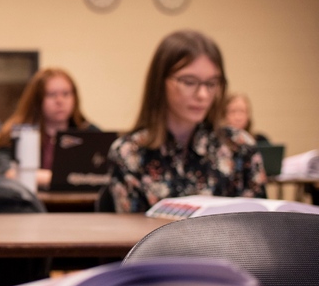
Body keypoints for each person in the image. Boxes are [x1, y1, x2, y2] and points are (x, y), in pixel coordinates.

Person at [108, 30, 266, 213]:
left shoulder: (239, 146)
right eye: (189, 82)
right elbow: (131, 236)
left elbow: (260, 227)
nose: (203, 95)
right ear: (161, 81)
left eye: (212, 83)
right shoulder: (129, 153)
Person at [0, 68, 99, 188]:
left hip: (82, 205)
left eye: (66, 94)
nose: (60, 101)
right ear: (37, 100)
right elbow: (6, 171)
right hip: (30, 204)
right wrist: (59, 177)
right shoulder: (16, 134)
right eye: (51, 95)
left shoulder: (90, 133)